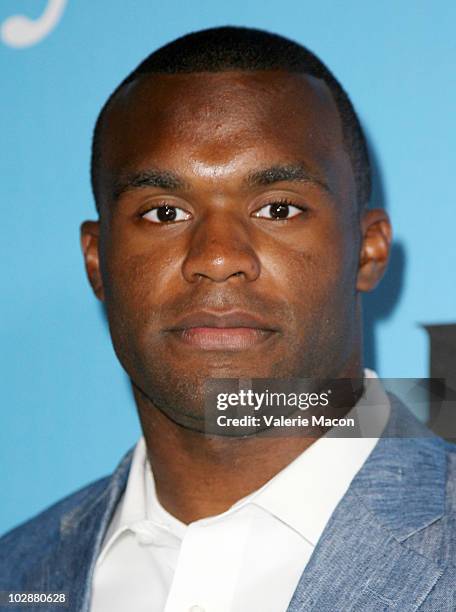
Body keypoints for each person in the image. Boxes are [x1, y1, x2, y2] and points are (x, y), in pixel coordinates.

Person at [1, 26, 455, 612]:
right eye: (165, 212)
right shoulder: (19, 574)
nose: (217, 258)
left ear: (367, 249)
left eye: (278, 208)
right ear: (97, 261)